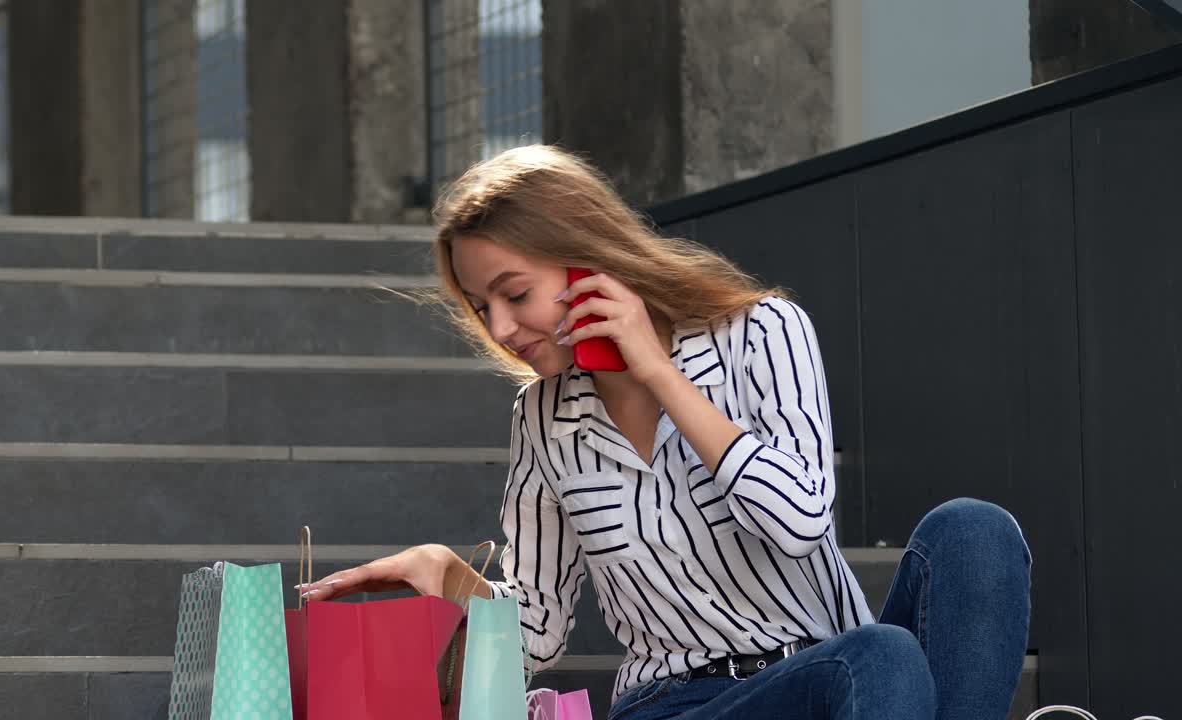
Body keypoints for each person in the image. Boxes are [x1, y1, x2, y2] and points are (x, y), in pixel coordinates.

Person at [297, 145, 1031, 720]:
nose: (500, 329)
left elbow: (802, 520)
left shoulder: (763, 334)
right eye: (480, 305)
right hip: (675, 705)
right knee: (883, 660)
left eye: (514, 294)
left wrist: (659, 374)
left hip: (830, 674)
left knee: (972, 534)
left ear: (590, 260)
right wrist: (451, 576)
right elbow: (541, 634)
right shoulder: (544, 419)